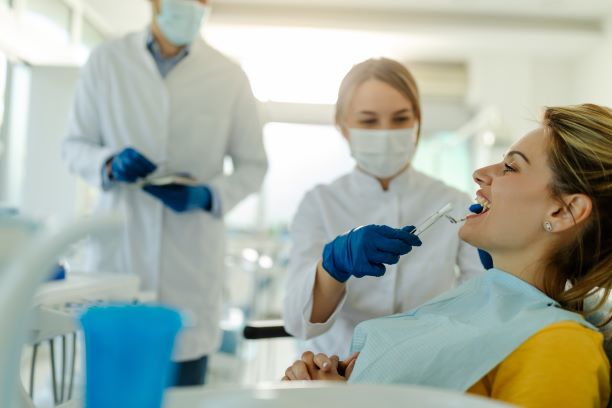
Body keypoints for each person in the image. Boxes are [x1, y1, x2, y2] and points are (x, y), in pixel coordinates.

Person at [283, 104, 612, 408]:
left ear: (563, 211)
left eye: (510, 167)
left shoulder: (560, 346)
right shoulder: (474, 314)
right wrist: (329, 390)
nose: (481, 172)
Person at [62, 0, 267, 386]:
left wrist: (207, 195)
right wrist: (109, 163)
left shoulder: (228, 75)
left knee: (183, 389)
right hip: (119, 264)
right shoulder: (107, 61)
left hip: (188, 275)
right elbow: (74, 146)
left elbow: (253, 165)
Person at [283, 58, 484, 358]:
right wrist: (333, 266)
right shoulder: (320, 203)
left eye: (401, 119)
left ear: (417, 122)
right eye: (368, 121)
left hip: (428, 369)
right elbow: (299, 324)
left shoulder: (452, 201)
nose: (386, 132)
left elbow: (481, 303)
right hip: (339, 377)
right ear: (343, 126)